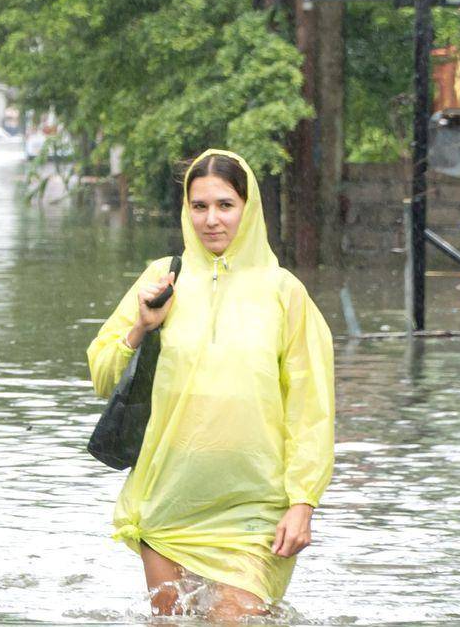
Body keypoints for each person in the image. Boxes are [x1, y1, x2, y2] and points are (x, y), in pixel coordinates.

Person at [86, 150, 335, 618]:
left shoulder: (285, 294)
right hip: (168, 503)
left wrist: (303, 501)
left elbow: (311, 408)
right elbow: (101, 372)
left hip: (255, 512)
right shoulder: (163, 279)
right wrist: (141, 326)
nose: (211, 220)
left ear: (249, 207)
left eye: (225, 205)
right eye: (199, 206)